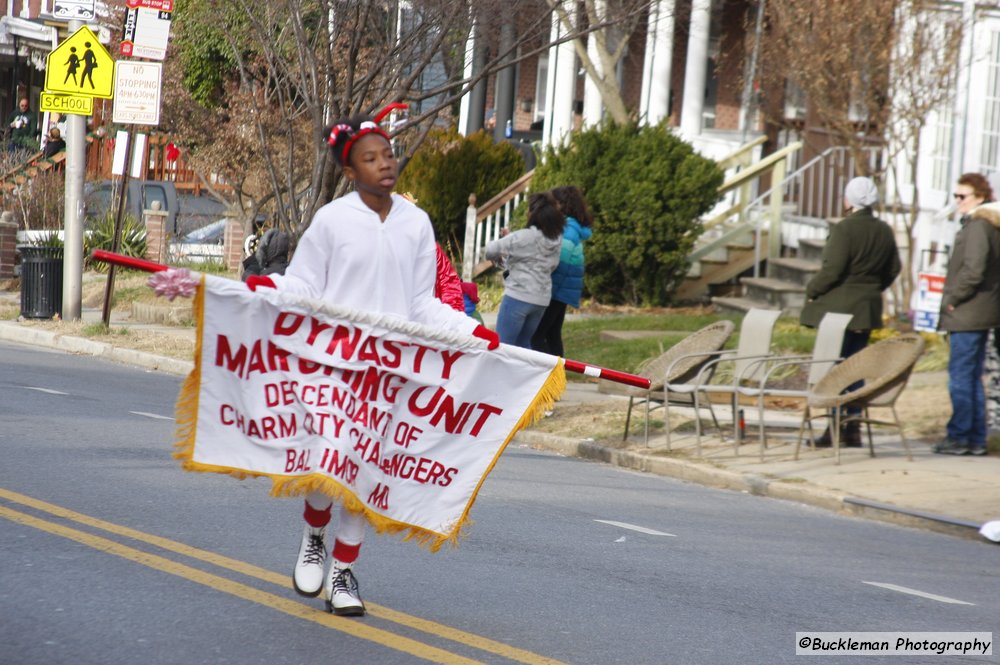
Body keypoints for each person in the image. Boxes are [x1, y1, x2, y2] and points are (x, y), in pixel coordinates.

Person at [245, 105, 500, 616]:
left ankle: (342, 572)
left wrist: (474, 331)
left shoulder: (417, 222)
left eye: (388, 154)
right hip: (336, 362)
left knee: (365, 471)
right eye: (370, 158)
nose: (385, 164)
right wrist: (267, 285)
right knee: (331, 463)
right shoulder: (331, 220)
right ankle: (314, 534)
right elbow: (306, 285)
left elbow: (422, 302)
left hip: (390, 370)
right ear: (349, 171)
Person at [799, 176, 901, 448]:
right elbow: (894, 269)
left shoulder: (845, 229)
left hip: (840, 311)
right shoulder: (884, 230)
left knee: (837, 370)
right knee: (856, 369)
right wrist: (872, 287)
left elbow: (832, 271)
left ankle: (834, 429)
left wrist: (812, 290)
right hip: (867, 309)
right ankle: (853, 428)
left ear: (849, 200)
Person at [933, 173, 1000, 456]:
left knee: (961, 376)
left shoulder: (978, 226)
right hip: (980, 311)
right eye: (956, 196)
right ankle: (974, 439)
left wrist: (951, 300)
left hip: (968, 312)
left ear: (980, 197)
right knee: (972, 377)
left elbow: (973, 272)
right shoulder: (988, 225)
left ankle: (960, 436)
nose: (958, 201)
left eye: (963, 196)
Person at [484, 191, 564, 348]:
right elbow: (545, 265)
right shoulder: (556, 240)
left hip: (518, 297)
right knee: (524, 346)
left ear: (532, 214)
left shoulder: (522, 237)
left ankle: (500, 373)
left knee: (502, 345)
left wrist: (505, 245)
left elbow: (491, 250)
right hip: (541, 300)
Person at [531, 185, 593, 357]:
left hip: (556, 289)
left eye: (554, 203)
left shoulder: (568, 230)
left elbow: (560, 261)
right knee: (552, 334)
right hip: (563, 289)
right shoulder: (572, 227)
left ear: (562, 205)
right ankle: (557, 378)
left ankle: (548, 377)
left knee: (536, 336)